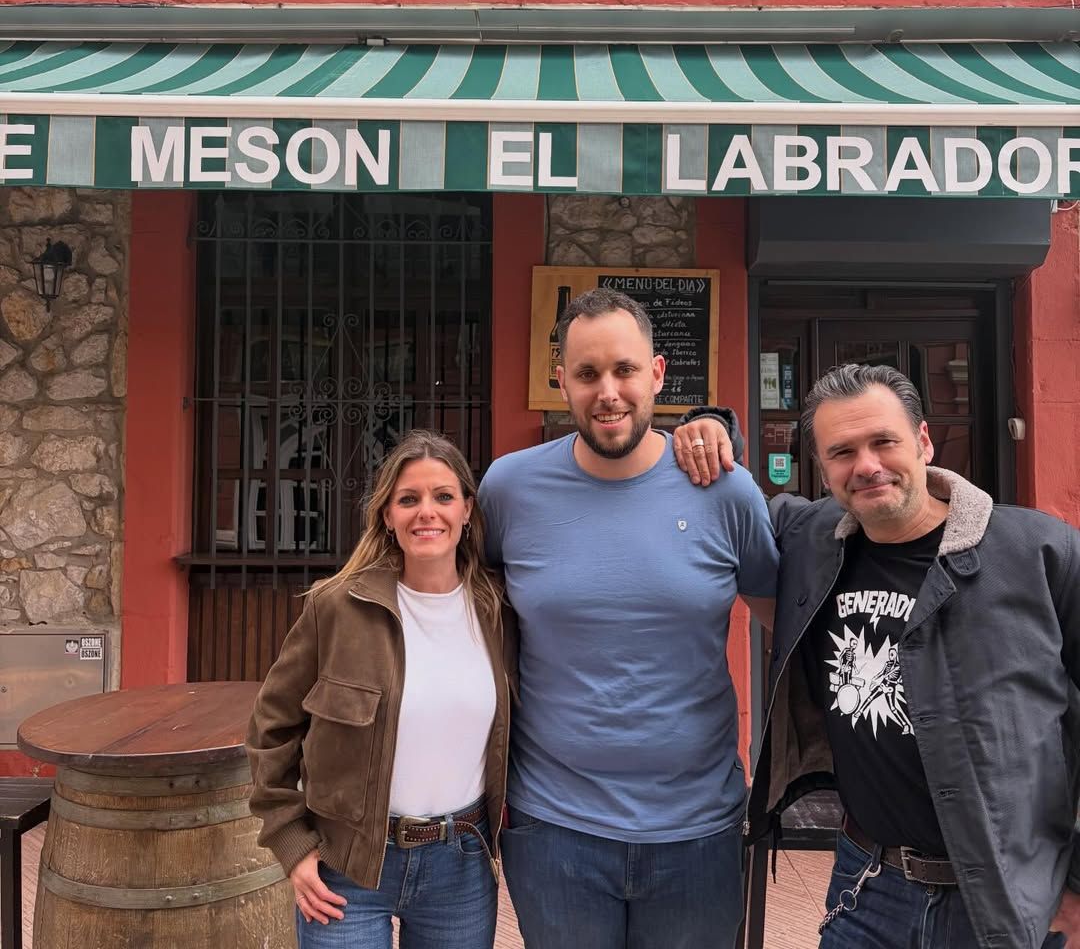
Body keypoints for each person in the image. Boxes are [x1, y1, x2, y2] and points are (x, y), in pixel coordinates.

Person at [675, 364, 1080, 949]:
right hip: (867, 885)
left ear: (923, 442)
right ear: (823, 469)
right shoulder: (812, 538)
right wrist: (710, 424)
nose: (866, 465)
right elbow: (734, 504)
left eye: (884, 441)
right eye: (842, 452)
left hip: (1009, 896)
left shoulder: (1039, 553)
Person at [478, 288, 779, 949]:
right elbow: (463, 604)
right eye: (587, 374)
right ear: (561, 380)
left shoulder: (725, 490)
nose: (608, 392)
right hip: (554, 828)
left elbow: (786, 623)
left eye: (625, 370)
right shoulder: (508, 488)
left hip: (698, 831)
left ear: (658, 375)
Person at [246, 430, 510, 949]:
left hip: (461, 863)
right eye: (408, 499)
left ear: (466, 511)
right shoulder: (336, 607)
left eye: (443, 496)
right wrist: (291, 843)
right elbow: (270, 729)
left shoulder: (499, 611)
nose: (426, 512)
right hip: (345, 864)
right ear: (388, 515)